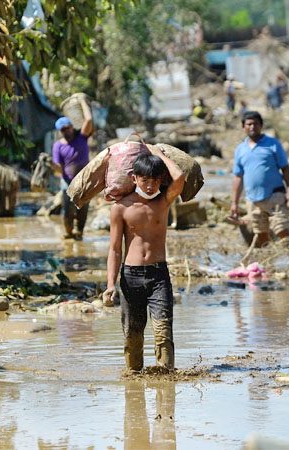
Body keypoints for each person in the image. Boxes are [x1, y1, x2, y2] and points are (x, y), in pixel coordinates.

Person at [103, 148, 185, 373]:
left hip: (159, 275)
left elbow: (179, 178)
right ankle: (133, 383)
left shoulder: (163, 202)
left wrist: (158, 152)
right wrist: (110, 284)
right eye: (145, 179)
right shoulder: (120, 208)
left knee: (163, 332)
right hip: (131, 277)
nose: (150, 185)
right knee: (132, 334)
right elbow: (114, 250)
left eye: (156, 180)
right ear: (134, 178)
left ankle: (167, 385)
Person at [230, 111, 289, 247]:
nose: (252, 126)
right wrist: (234, 203)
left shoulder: (272, 144)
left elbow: (285, 169)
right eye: (249, 124)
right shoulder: (240, 149)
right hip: (253, 200)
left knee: (282, 230)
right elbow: (238, 177)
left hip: (275, 196)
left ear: (261, 125)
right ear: (244, 127)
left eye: (256, 123)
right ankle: (267, 264)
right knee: (261, 235)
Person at [52, 99, 93, 241]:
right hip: (67, 181)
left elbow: (88, 119)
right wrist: (51, 165)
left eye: (68, 128)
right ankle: (69, 232)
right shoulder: (58, 146)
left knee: (83, 209)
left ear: (72, 126)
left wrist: (82, 101)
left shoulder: (82, 138)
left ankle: (79, 232)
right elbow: (59, 169)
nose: (66, 131)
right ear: (60, 132)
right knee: (67, 211)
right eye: (63, 130)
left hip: (84, 180)